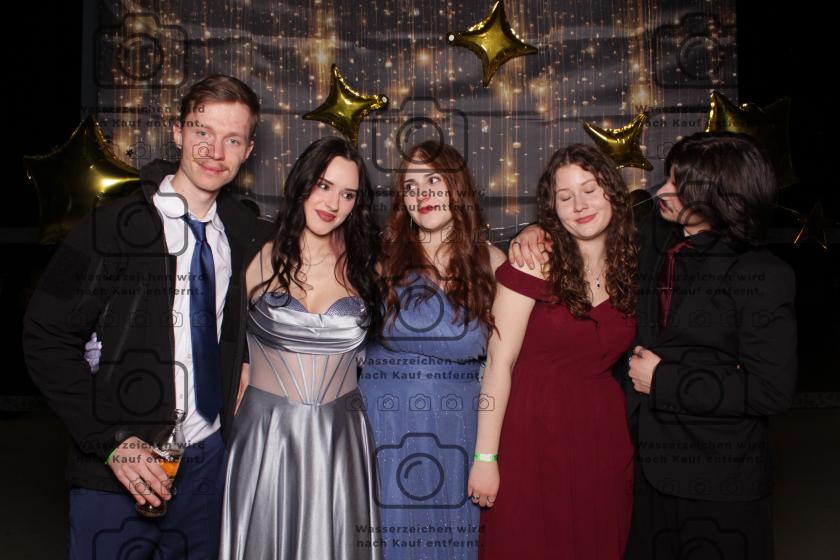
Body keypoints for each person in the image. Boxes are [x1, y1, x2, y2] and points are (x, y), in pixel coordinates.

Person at [510, 131, 797, 559]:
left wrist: (663, 379)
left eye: (678, 185)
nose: (662, 190)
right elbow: (584, 224)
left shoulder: (762, 274)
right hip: (642, 473)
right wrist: (535, 231)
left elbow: (771, 390)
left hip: (719, 481)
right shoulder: (651, 238)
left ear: (718, 194)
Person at [22, 75, 272, 558]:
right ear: (177, 132)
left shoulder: (245, 233)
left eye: (232, 139)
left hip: (207, 461)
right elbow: (44, 335)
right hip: (118, 466)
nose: (214, 151)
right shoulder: (109, 225)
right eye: (202, 131)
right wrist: (111, 441)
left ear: (248, 150)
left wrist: (244, 359)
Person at [468, 144, 638, 558]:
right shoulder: (532, 260)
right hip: (531, 432)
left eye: (589, 190)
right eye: (565, 197)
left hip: (601, 435)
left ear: (612, 193)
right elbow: (499, 363)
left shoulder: (630, 265)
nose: (579, 205)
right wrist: (485, 456)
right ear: (552, 209)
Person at [218, 136, 384, 559]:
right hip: (266, 434)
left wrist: (532, 231)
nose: (333, 203)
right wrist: (239, 364)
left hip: (340, 437)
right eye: (324, 186)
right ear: (302, 183)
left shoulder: (369, 264)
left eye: (348, 194)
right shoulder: (253, 253)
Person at [358, 141, 506, 559]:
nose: (421, 195)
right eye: (411, 186)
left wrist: (486, 455)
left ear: (458, 186)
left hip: (457, 433)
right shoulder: (379, 261)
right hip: (382, 429)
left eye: (433, 181)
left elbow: (504, 365)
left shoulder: (493, 264)